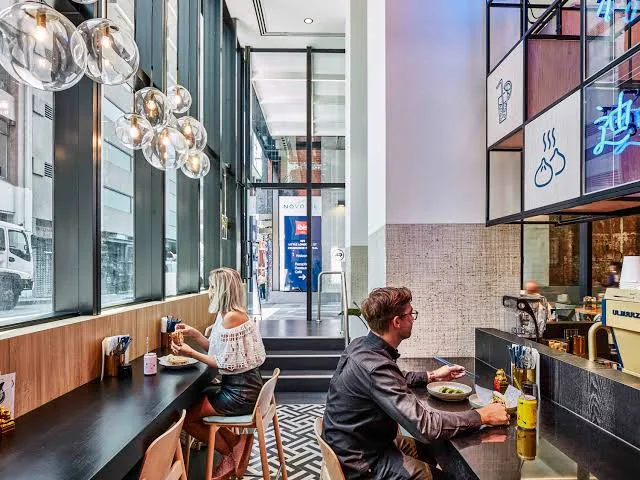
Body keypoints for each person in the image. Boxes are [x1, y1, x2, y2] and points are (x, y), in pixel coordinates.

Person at [323, 287, 509, 479]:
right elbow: (426, 427)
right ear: (397, 322)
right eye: (410, 314)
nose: (413, 319)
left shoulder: (361, 345)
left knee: (431, 450)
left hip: (355, 444)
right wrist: (481, 415)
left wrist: (432, 376)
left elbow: (391, 379)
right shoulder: (375, 367)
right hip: (363, 462)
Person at [171, 267, 266, 480]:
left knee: (187, 419)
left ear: (222, 290)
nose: (209, 291)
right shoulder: (226, 315)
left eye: (212, 287)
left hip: (241, 393)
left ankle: (229, 454)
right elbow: (219, 352)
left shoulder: (232, 317)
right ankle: (236, 445)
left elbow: (222, 363)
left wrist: (190, 352)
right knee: (192, 411)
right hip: (241, 386)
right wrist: (195, 334)